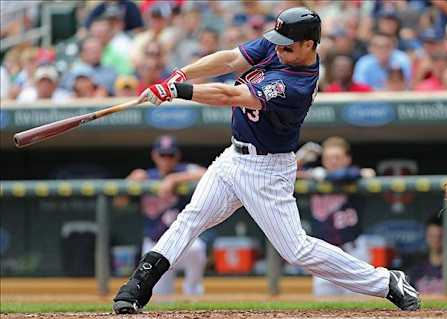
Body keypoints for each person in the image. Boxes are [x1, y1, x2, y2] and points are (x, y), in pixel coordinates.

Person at [112, 7, 420, 314]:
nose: (280, 48)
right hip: (233, 158)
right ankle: (138, 286)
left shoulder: (296, 84)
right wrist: (180, 74)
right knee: (190, 218)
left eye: (288, 46)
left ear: (309, 45)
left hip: (268, 170)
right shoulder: (280, 44)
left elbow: (230, 97)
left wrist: (177, 90)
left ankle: (387, 282)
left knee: (296, 250)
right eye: (279, 42)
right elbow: (230, 59)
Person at [115, 135, 207, 296]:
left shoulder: (183, 170)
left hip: (182, 242)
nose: (166, 159)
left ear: (177, 156)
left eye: (170, 155)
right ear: (154, 155)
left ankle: (192, 290)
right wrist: (129, 181)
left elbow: (206, 173)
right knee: (159, 298)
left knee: (197, 248)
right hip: (155, 244)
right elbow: (119, 202)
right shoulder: (145, 176)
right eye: (162, 154)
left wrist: (174, 178)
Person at [296, 137, 375, 296]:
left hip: (353, 250)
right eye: (328, 158)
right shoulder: (314, 176)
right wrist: (300, 158)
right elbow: (281, 174)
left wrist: (320, 175)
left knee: (361, 306)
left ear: (347, 159)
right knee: (323, 305)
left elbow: (354, 174)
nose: (332, 161)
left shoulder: (352, 174)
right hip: (324, 253)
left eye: (337, 158)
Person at [408, 215, 447, 294]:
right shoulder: (417, 270)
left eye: (440, 236)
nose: (436, 240)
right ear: (426, 237)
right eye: (432, 236)